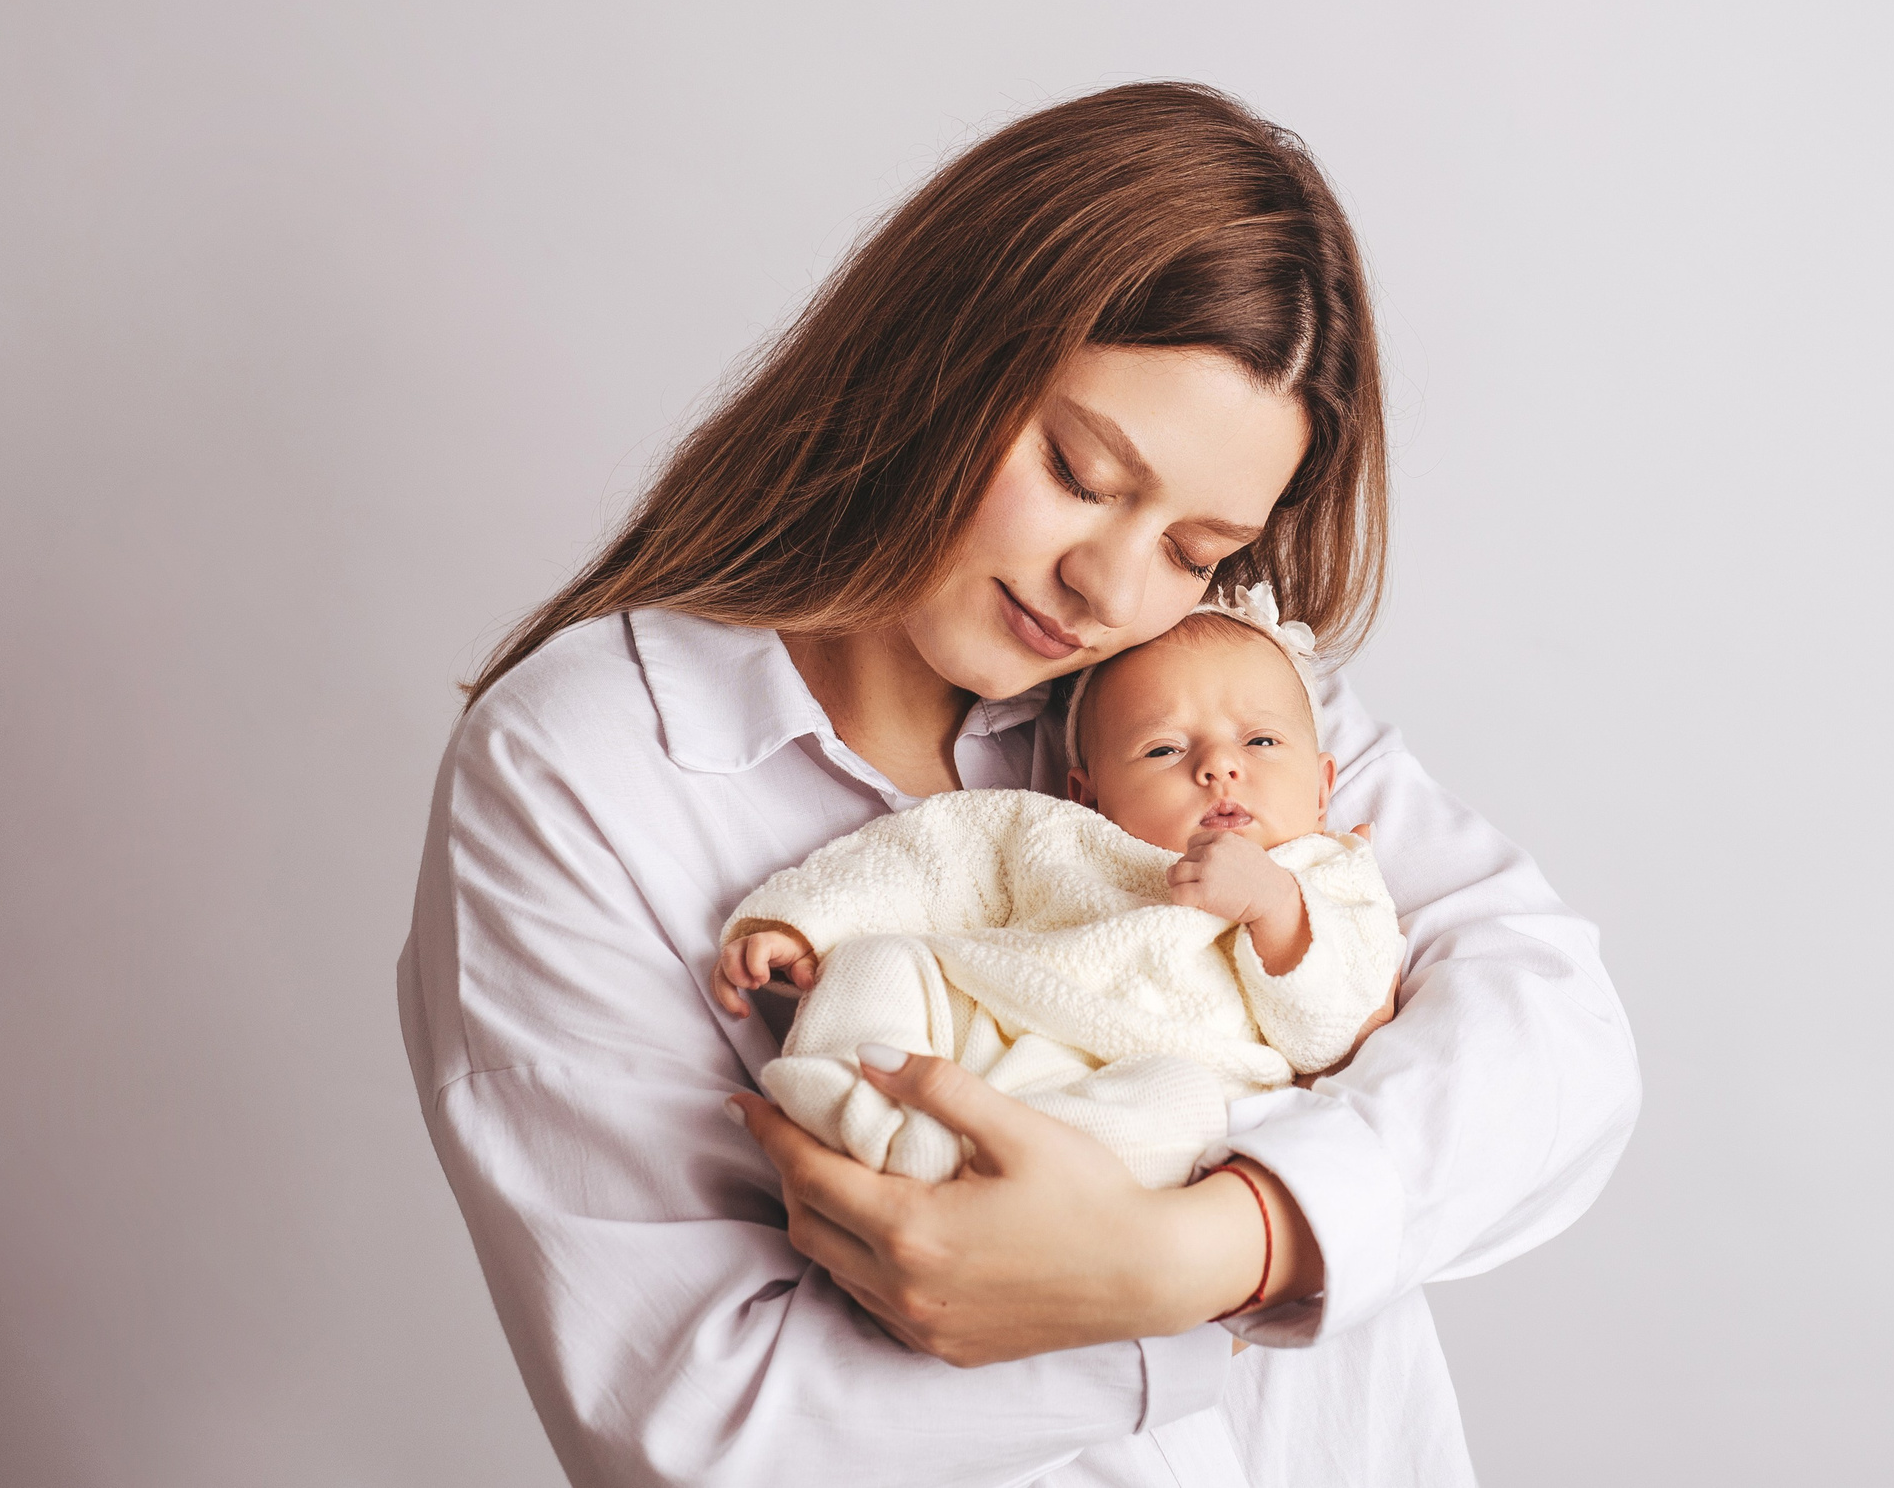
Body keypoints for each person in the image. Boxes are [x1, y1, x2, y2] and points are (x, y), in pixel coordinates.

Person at [398, 81, 1640, 1487]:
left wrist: (1212, 1251)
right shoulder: (581, 769)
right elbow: (705, 1425)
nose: (1109, 587)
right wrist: (1155, 1325)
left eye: (1195, 546)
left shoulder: (1210, 693)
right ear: (939, 351)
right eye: (1078, 470)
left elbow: (1557, 1033)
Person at [710, 588, 1404, 1191]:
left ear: (1322, 788)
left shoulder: (1330, 879)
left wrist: (1276, 908)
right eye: (1164, 749)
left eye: (1261, 742)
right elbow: (927, 856)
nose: (1219, 765)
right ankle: (855, 1104)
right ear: (1088, 793)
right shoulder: (1057, 833)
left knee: (1184, 1107)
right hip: (991, 1024)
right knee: (880, 959)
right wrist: (803, 922)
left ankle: (972, 1159)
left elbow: (1332, 1034)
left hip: (1147, 1083)